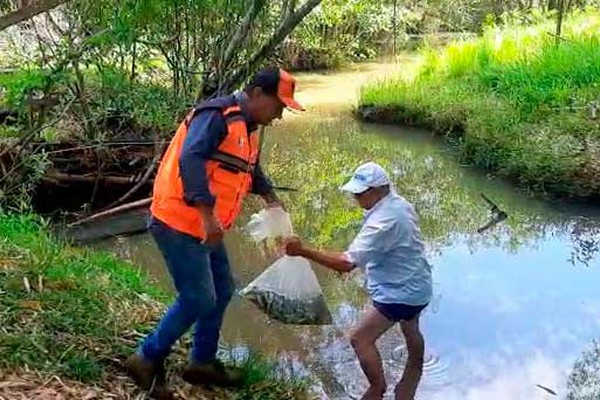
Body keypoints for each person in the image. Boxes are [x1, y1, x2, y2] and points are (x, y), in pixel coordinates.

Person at [125, 67, 304, 397]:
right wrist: (208, 216)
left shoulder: (247, 128)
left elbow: (248, 168)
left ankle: (201, 363)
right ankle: (146, 358)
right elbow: (190, 159)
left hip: (207, 228)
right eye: (278, 106)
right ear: (256, 93)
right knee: (198, 297)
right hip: (178, 222)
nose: (279, 115)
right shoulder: (217, 115)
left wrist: (271, 198)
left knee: (223, 290)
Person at [285, 161, 432, 400]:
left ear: (374, 192)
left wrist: (303, 251)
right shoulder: (400, 204)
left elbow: (346, 263)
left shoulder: (382, 221)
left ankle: (377, 388)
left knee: (360, 338)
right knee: (410, 325)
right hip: (419, 286)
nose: (355, 198)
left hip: (399, 293)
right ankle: (414, 372)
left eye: (358, 194)